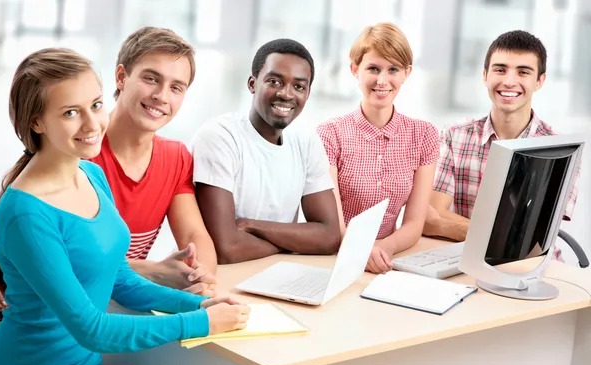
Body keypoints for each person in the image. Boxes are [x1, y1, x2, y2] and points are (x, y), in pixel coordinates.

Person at [0, 48, 249, 365]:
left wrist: (198, 305)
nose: (91, 124)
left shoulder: (92, 175)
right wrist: (199, 323)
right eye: (70, 112)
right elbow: (91, 330)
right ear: (37, 122)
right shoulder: (25, 214)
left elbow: (118, 279)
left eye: (96, 105)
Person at [423, 30, 578, 261]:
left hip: (536, 266)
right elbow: (429, 219)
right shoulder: (455, 137)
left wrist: (453, 227)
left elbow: (532, 239)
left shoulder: (560, 149)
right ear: (485, 75)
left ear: (539, 81)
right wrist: (502, 235)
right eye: (500, 69)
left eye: (523, 72)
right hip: (469, 261)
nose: (508, 81)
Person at [89, 27, 218, 294]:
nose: (161, 96)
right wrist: (154, 271)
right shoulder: (81, 151)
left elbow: (195, 236)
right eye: (151, 79)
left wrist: (200, 277)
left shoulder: (176, 157)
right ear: (121, 77)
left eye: (176, 88)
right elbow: (71, 263)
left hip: (119, 302)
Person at [191, 39, 341, 264]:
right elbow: (225, 248)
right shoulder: (219, 136)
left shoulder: (307, 141)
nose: (287, 94)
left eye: (298, 86)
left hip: (275, 275)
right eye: (274, 81)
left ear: (307, 94)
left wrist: (250, 226)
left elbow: (329, 237)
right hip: (215, 278)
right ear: (252, 84)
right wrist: (292, 243)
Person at [317, 23, 440, 274]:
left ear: (406, 73)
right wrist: (361, 250)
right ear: (355, 70)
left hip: (386, 258)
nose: (382, 80)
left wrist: (382, 249)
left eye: (393, 69)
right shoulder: (330, 133)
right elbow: (333, 223)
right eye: (373, 68)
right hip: (334, 257)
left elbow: (414, 223)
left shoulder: (424, 135)